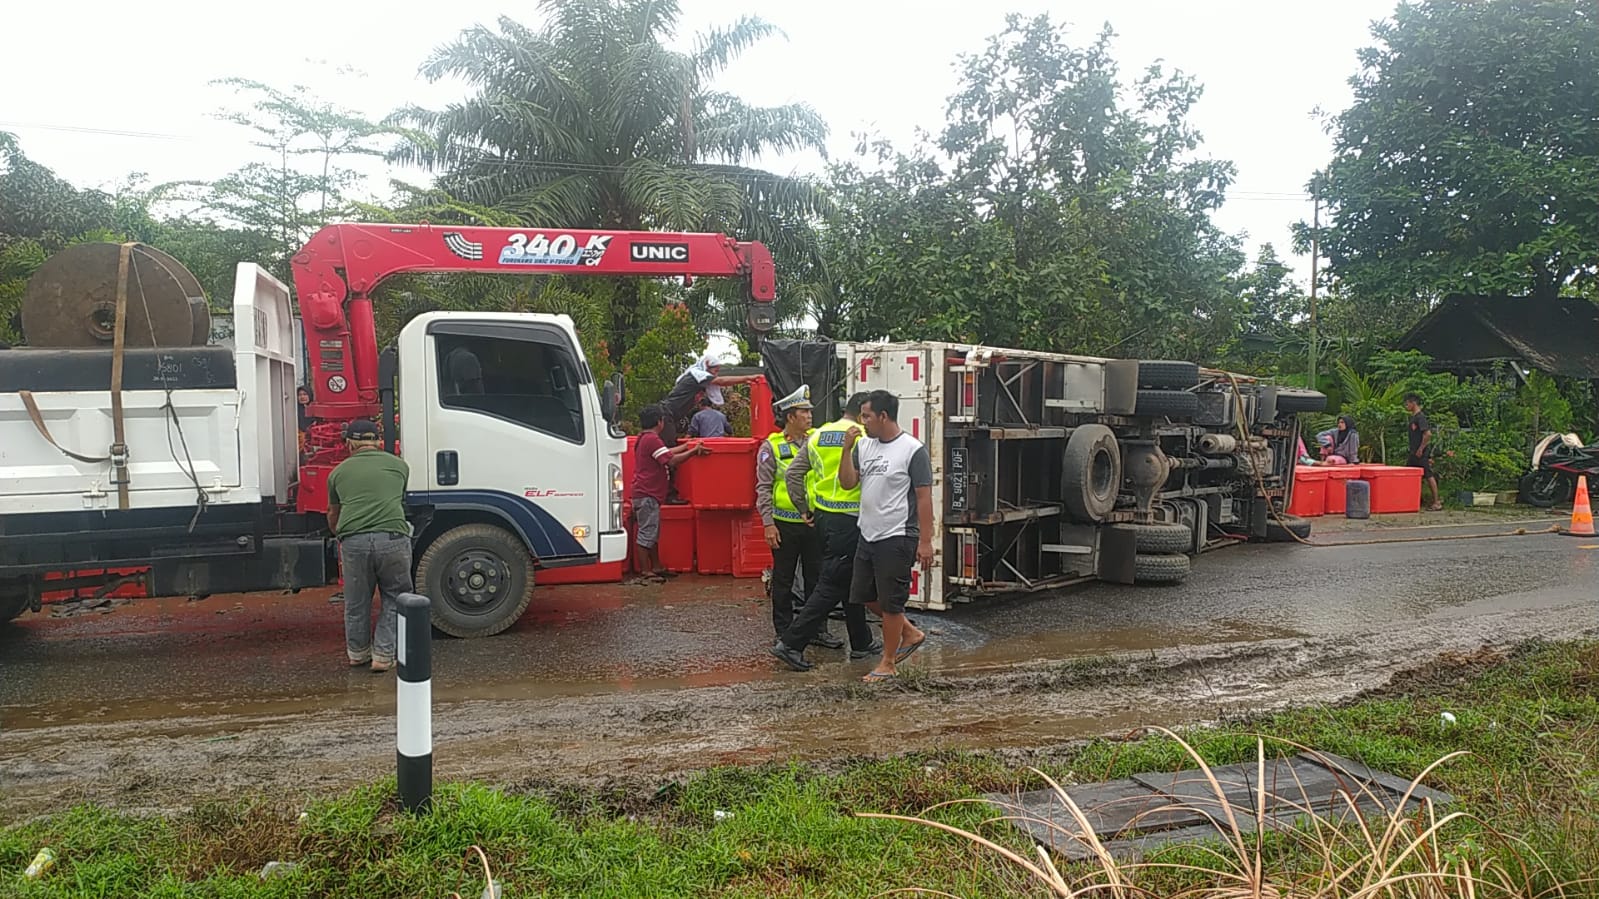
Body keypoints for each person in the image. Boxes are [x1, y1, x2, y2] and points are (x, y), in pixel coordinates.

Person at [769, 393, 879, 671]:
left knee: (848, 578)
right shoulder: (865, 437)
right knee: (832, 584)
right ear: (864, 413)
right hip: (852, 520)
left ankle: (861, 641)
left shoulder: (818, 436)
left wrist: (804, 509)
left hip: (822, 518)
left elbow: (794, 474)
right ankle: (791, 643)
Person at [840, 390, 932, 682]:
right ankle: (910, 633)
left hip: (897, 534)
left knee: (892, 601)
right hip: (867, 532)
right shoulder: (863, 446)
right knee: (864, 595)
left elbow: (924, 498)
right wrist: (846, 449)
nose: (862, 421)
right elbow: (847, 483)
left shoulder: (912, 449)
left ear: (883, 416)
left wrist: (926, 541)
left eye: (867, 415)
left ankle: (888, 663)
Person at [326, 419, 412, 673]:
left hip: (354, 541)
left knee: (356, 601)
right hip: (393, 537)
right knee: (396, 596)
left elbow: (333, 513)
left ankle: (357, 653)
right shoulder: (400, 467)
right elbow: (398, 498)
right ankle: (383, 656)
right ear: (377, 440)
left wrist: (341, 533)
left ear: (349, 443)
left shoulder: (337, 473)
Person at [757, 385, 837, 644]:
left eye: (809, 411)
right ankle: (784, 632)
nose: (810, 416)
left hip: (814, 522)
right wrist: (768, 524)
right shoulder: (772, 446)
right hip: (785, 524)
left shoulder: (817, 440)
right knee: (783, 580)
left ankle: (816, 630)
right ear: (790, 417)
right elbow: (763, 487)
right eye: (804, 411)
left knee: (818, 580)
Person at [631, 404, 708, 583]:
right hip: (647, 493)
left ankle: (656, 567)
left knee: (652, 532)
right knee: (647, 533)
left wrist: (686, 446)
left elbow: (665, 453)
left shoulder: (646, 438)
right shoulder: (652, 439)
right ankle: (645, 571)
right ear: (660, 422)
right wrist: (693, 452)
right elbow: (671, 461)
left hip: (647, 493)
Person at [660, 353, 760, 444]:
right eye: (715, 371)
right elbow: (721, 381)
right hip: (667, 413)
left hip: (671, 415)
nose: (715, 375)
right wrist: (748, 378)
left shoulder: (696, 379)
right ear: (707, 366)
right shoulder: (697, 375)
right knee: (668, 449)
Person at [1404, 394, 1443, 511]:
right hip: (1413, 452)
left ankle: (1436, 501)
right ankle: (1410, 500)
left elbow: (1428, 434)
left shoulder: (1420, 417)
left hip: (1420, 453)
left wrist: (1421, 448)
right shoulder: (1413, 417)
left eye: (1407, 404)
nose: (1406, 406)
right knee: (1408, 475)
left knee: (1428, 475)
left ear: (1413, 403)